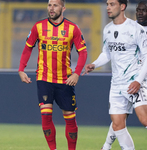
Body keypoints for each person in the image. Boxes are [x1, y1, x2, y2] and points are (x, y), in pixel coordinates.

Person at [83, 0, 147, 149]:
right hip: (116, 84)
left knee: (146, 119)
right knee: (118, 125)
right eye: (107, 4)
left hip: (133, 82)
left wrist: (138, 81)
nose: (108, 8)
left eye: (112, 4)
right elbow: (107, 53)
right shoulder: (108, 29)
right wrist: (95, 64)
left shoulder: (136, 29)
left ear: (122, 6)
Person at [18, 0, 87, 149]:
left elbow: (83, 52)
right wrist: (21, 69)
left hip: (65, 80)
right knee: (46, 115)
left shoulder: (73, 28)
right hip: (44, 77)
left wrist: (76, 74)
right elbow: (28, 48)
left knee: (70, 119)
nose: (51, 8)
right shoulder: (38, 26)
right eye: (49, 5)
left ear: (63, 8)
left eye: (55, 5)